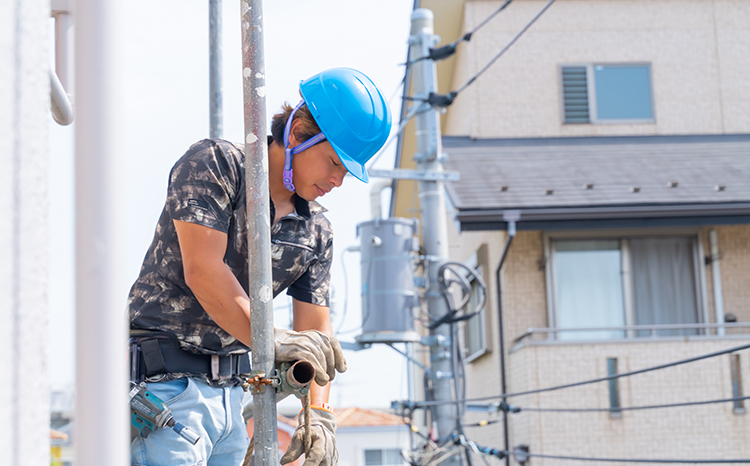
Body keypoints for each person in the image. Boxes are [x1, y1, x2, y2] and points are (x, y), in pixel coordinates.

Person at [127, 67, 392, 466]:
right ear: (299, 131)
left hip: (236, 398)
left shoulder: (314, 230)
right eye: (334, 162)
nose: (338, 180)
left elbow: (315, 332)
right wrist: (272, 341)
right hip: (165, 386)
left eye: (347, 171)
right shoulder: (216, 165)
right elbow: (203, 271)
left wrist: (317, 413)